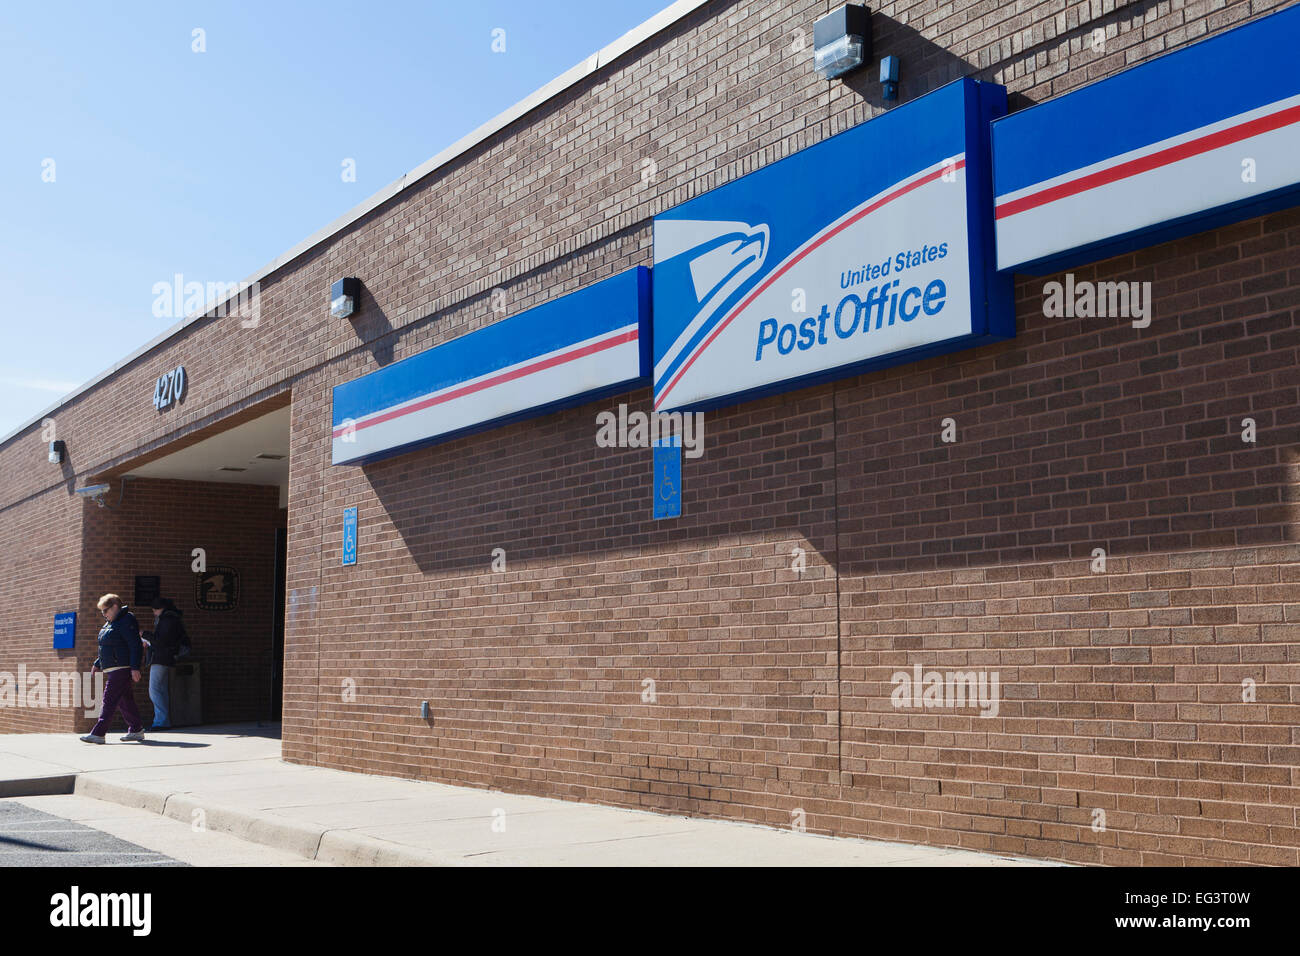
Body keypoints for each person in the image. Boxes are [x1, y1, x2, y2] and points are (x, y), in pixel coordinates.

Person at [80, 594, 145, 744]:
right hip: (114, 667)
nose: (103, 614)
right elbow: (107, 646)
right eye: (102, 611)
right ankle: (136, 729)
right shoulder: (111, 622)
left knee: (108, 699)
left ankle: (99, 733)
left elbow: (135, 645)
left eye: (105, 611)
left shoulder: (127, 620)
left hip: (121, 667)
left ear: (115, 606)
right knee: (124, 699)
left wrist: (135, 667)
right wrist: (97, 663)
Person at [145, 596, 185, 730]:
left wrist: (144, 634)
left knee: (154, 690)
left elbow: (160, 641)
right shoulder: (172, 618)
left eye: (154, 611)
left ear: (160, 608)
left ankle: (161, 721)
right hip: (166, 656)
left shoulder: (167, 619)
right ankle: (163, 720)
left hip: (161, 657)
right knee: (161, 690)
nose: (154, 614)